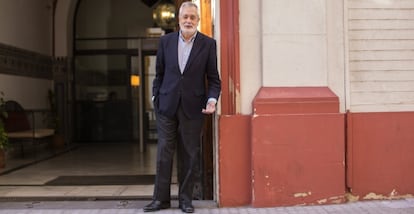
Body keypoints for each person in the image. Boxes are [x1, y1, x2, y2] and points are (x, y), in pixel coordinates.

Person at [143, 1, 221, 213]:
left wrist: (212, 100)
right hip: (166, 105)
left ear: (197, 20)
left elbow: (214, 79)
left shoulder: (208, 44)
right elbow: (159, 75)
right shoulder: (166, 42)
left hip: (193, 107)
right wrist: (155, 97)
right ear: (178, 19)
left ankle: (185, 200)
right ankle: (161, 200)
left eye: (192, 17)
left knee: (189, 154)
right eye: (184, 17)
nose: (188, 20)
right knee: (163, 153)